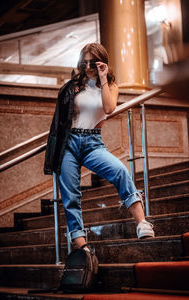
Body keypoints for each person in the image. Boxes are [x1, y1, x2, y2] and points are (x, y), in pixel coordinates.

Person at [44, 43, 155, 252]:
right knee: (71, 195)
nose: (88, 67)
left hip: (92, 142)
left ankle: (142, 223)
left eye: (92, 62)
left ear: (101, 61)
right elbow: (61, 119)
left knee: (120, 170)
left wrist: (103, 78)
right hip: (69, 143)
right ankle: (81, 244)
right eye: (84, 62)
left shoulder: (110, 85)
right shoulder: (73, 86)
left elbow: (108, 108)